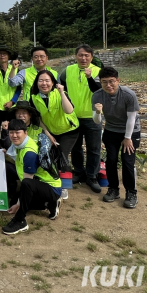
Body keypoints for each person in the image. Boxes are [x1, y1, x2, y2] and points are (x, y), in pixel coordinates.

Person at [1, 119, 62, 235]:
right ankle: (49, 203)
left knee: (25, 186)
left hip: (52, 187)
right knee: (14, 201)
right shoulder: (20, 145)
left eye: (17, 132)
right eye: (11, 132)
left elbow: (27, 182)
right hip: (41, 183)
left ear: (25, 133)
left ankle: (20, 221)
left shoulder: (29, 153)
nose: (14, 136)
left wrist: (19, 205)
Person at [92, 67, 141, 209]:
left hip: (130, 132)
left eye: (112, 82)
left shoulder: (128, 95)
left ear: (118, 80)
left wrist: (127, 137)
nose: (109, 85)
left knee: (127, 161)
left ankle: (131, 193)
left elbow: (131, 119)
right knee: (111, 160)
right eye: (104, 82)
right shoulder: (97, 96)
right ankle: (113, 189)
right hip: (111, 130)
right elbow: (96, 121)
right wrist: (98, 112)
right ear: (100, 82)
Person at [29, 70, 79, 199]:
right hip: (50, 131)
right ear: (36, 82)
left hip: (68, 130)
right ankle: (54, 183)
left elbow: (69, 110)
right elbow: (37, 118)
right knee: (50, 156)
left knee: (62, 155)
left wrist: (61, 92)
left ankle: (64, 187)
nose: (44, 83)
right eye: (41, 80)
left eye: (47, 80)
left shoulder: (60, 93)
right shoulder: (34, 97)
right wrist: (47, 133)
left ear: (53, 82)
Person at [59, 44, 102, 193]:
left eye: (87, 55)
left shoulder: (98, 71)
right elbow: (61, 88)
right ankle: (79, 172)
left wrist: (90, 77)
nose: (83, 58)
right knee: (76, 148)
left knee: (94, 148)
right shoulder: (67, 71)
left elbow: (99, 90)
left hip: (92, 117)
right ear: (75, 56)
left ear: (92, 57)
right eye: (80, 55)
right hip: (73, 117)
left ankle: (92, 176)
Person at [0, 45, 19, 131]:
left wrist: (12, 102)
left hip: (11, 106)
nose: (2, 55)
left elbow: (18, 88)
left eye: (5, 54)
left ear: (8, 56)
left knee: (11, 130)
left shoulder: (15, 70)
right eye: (0, 54)